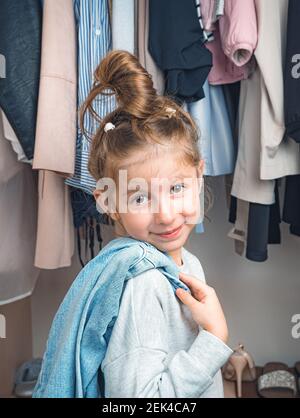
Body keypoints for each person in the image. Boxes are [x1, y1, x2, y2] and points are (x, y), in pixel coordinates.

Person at [80, 49, 233, 398]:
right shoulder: (144, 286)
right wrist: (213, 338)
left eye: (177, 188)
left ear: (199, 174)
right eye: (139, 197)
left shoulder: (184, 262)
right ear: (110, 203)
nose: (164, 214)